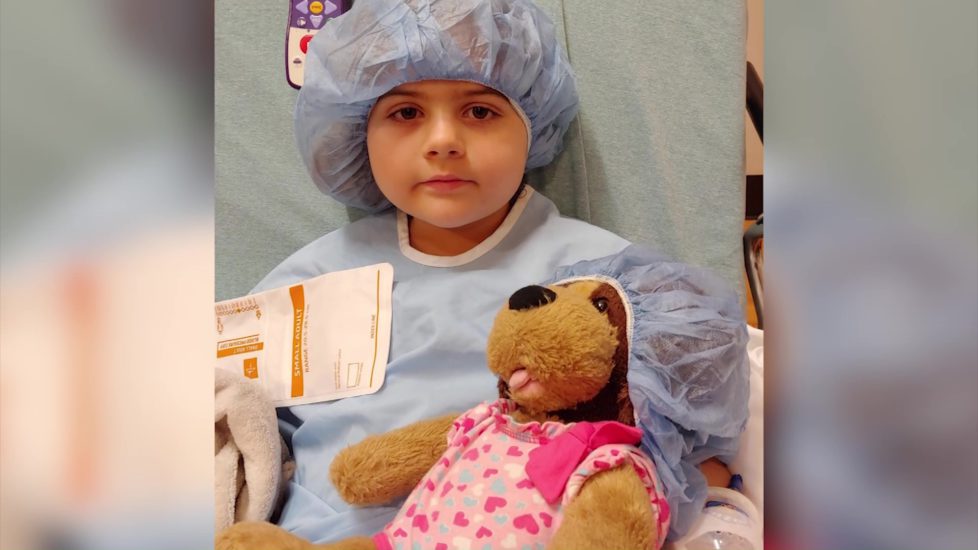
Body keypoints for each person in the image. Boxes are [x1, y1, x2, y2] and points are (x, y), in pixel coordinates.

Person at [251, 0, 631, 542]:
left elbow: (687, 427)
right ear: (357, 133)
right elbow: (222, 420)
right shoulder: (311, 279)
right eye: (406, 114)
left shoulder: (606, 279)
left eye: (480, 111)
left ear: (532, 123)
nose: (443, 141)